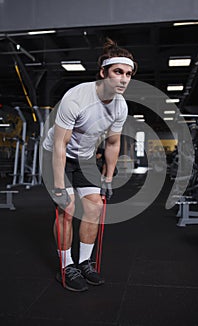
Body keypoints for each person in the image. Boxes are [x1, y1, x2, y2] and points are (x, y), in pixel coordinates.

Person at [42, 38, 137, 292]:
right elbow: (61, 145)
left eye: (128, 74)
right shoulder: (76, 98)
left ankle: (84, 261)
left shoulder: (120, 106)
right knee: (68, 209)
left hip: (85, 158)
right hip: (56, 154)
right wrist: (60, 187)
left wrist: (107, 178)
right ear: (103, 72)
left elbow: (114, 143)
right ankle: (66, 265)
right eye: (118, 72)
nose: (124, 79)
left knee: (94, 208)